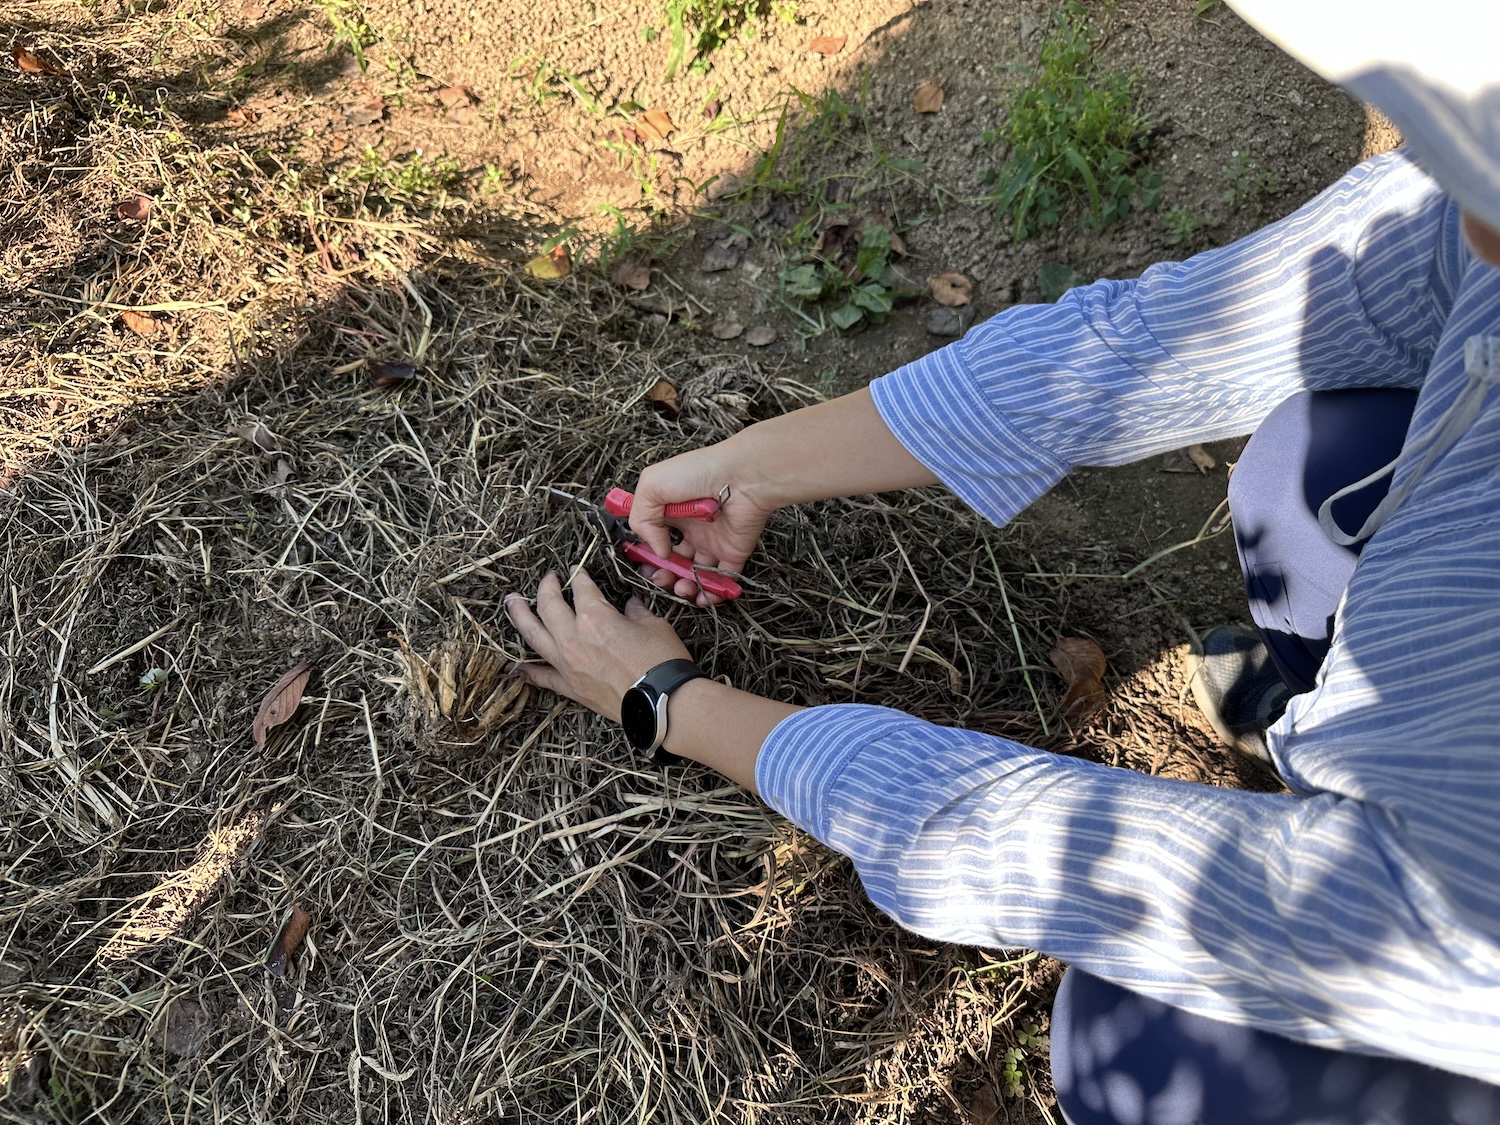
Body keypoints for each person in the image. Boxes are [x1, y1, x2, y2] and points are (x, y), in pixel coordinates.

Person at [504, 2, 1500, 1121]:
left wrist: (668, 702)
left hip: (1467, 956)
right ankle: (1338, 715)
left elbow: (1068, 862)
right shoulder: (1478, 224)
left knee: (1142, 1041)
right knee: (1303, 474)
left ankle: (1368, 781)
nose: (1457, 205)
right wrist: (755, 467)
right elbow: (1169, 338)